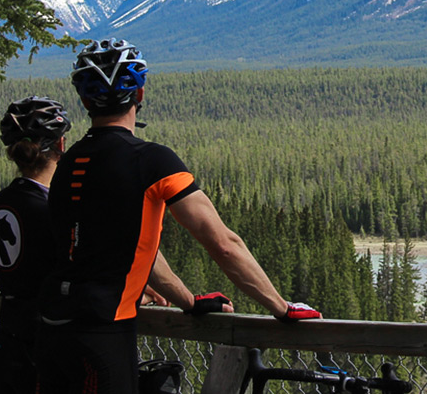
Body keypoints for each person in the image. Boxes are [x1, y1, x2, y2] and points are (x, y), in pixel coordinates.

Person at [37, 39, 321, 394]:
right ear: (139, 94)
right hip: (103, 329)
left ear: (84, 101)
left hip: (50, 326)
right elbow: (223, 243)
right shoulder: (151, 160)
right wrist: (281, 307)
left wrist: (188, 300)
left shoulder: (69, 162)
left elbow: (133, 244)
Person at [0, 96, 72, 394]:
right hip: (46, 345)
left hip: (9, 338)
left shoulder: (4, 200)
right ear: (60, 145)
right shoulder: (51, 208)